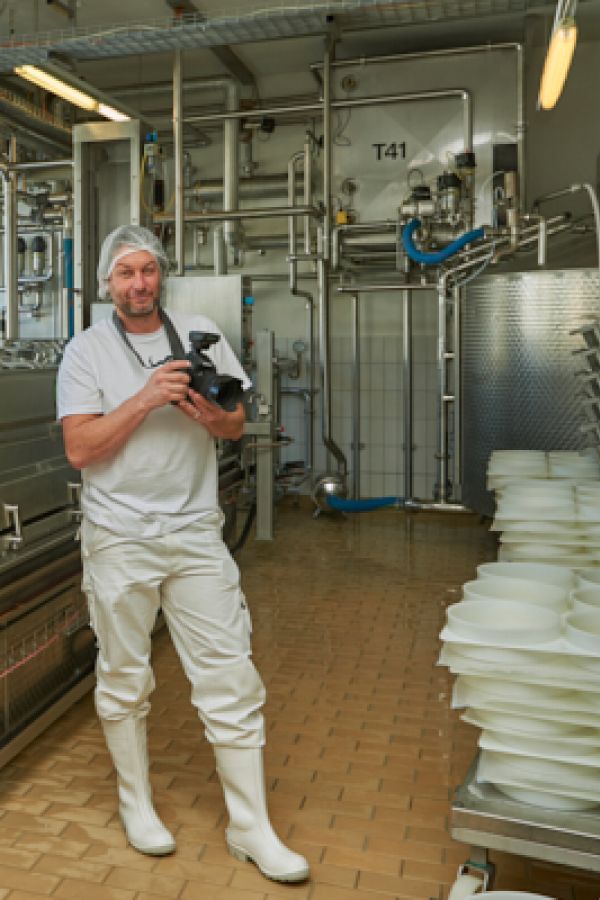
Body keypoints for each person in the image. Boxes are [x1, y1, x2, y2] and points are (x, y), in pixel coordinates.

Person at [57, 224, 309, 884]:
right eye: (124, 274)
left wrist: (206, 410)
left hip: (196, 533)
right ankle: (136, 804)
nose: (139, 283)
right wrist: (146, 398)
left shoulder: (200, 331)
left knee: (231, 673)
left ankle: (251, 827)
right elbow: (81, 449)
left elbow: (235, 423)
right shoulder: (85, 353)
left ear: (160, 274)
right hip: (119, 539)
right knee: (124, 673)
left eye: (148, 270)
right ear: (107, 284)